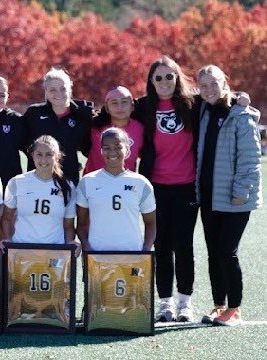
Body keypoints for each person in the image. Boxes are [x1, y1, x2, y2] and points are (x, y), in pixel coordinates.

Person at [193, 65, 262, 326]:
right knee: (213, 253)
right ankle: (219, 305)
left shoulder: (241, 115)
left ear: (225, 83)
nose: (209, 89)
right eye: (204, 85)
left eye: (215, 83)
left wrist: (240, 193)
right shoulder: (202, 110)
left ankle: (234, 308)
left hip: (235, 198)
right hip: (209, 197)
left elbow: (251, 161)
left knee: (226, 252)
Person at [133, 56, 199, 322]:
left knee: (183, 245)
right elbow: (113, 110)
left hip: (186, 187)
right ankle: (165, 303)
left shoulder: (193, 104)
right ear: (151, 81)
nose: (164, 82)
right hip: (155, 186)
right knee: (161, 245)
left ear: (177, 78)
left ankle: (185, 302)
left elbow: (219, 96)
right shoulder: (143, 107)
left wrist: (240, 98)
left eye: (169, 76)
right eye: (158, 77)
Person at [75, 127, 156, 254]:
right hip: (97, 256)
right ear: (101, 150)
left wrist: (145, 251)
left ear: (127, 149)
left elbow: (151, 223)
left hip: (132, 254)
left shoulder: (141, 183)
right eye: (107, 148)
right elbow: (81, 225)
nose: (112, 152)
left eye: (118, 147)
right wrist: (87, 247)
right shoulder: (87, 182)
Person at [0, 136, 77, 251]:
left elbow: (68, 226)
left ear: (57, 156)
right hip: (22, 250)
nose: (43, 160)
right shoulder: (17, 182)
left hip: (54, 252)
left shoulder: (68, 187)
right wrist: (8, 239)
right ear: (32, 156)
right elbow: (6, 218)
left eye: (49, 154)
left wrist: (70, 243)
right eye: (39, 154)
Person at [24, 68, 94, 184]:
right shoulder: (34, 114)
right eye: (52, 90)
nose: (58, 94)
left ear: (70, 89)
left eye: (63, 89)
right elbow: (23, 143)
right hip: (37, 179)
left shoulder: (82, 115)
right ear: (46, 91)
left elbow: (88, 147)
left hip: (68, 179)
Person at [83, 86, 144, 174]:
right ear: (107, 108)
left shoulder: (140, 129)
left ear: (132, 106)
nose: (120, 107)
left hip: (125, 183)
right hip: (95, 182)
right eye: (114, 103)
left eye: (124, 102)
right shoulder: (95, 127)